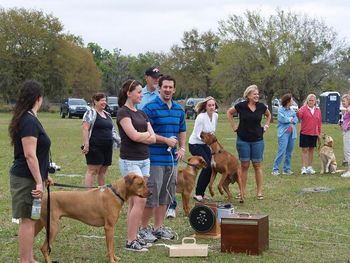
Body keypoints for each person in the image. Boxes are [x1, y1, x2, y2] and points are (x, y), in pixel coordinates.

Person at [9, 80, 53, 263]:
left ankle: (28, 258)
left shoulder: (30, 118)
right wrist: (37, 181)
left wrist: (44, 175)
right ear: (38, 98)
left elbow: (39, 155)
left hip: (33, 177)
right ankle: (24, 260)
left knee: (32, 219)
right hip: (25, 178)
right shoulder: (28, 120)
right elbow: (29, 154)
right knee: (27, 221)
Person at [139, 75, 186, 242]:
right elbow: (147, 133)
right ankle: (143, 229)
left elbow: (182, 130)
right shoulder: (150, 108)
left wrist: (182, 147)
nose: (167, 90)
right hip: (154, 159)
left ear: (174, 89)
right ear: (159, 88)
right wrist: (165, 140)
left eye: (170, 87)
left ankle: (158, 228)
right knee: (152, 194)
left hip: (172, 161)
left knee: (166, 195)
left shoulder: (179, 110)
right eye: (164, 87)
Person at [116, 79, 156, 251]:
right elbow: (133, 136)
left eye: (141, 92)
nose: (141, 95)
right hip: (129, 160)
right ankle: (131, 241)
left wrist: (144, 135)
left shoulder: (142, 113)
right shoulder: (123, 113)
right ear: (129, 93)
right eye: (138, 92)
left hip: (145, 160)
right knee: (140, 200)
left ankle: (133, 235)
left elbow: (153, 138)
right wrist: (145, 134)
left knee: (135, 202)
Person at [226, 84, 271, 200]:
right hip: (243, 140)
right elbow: (229, 113)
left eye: (257, 94)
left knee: (257, 165)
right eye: (254, 94)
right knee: (244, 165)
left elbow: (268, 115)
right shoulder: (241, 106)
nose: (257, 96)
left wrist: (266, 126)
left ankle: (259, 192)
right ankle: (242, 192)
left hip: (257, 140)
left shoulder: (261, 106)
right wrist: (234, 127)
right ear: (248, 95)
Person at [82, 93, 118, 187]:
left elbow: (112, 131)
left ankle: (101, 191)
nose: (104, 102)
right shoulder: (91, 112)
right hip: (95, 146)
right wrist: (86, 144)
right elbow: (85, 128)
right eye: (102, 100)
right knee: (92, 170)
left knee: (103, 171)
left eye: (105, 100)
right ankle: (88, 194)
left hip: (107, 147)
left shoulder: (108, 115)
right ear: (95, 101)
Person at [188, 96, 218, 201]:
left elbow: (212, 132)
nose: (211, 107)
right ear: (205, 106)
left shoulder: (215, 116)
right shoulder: (201, 117)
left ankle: (202, 193)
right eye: (209, 105)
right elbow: (197, 134)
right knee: (207, 166)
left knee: (211, 168)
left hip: (205, 145)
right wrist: (208, 141)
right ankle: (198, 193)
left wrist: (211, 142)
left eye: (213, 105)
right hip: (195, 144)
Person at [271, 94, 299, 175]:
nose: (293, 102)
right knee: (281, 150)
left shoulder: (292, 111)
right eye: (291, 100)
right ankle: (275, 169)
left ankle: (286, 169)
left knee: (289, 152)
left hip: (292, 133)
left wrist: (291, 120)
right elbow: (282, 119)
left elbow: (296, 120)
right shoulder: (280, 110)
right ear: (287, 101)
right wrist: (290, 119)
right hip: (283, 133)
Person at [297, 93, 322, 174]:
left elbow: (319, 122)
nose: (311, 102)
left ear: (315, 101)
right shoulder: (303, 109)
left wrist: (319, 132)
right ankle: (303, 167)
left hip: (314, 133)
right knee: (304, 150)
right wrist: (298, 113)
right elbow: (299, 117)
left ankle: (309, 167)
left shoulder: (318, 110)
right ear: (307, 101)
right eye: (310, 100)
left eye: (313, 100)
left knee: (311, 149)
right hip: (305, 132)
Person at [340, 93, 350, 178]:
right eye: (342, 101)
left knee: (348, 151)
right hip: (345, 132)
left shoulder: (349, 109)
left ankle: (349, 171)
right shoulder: (347, 109)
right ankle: (348, 169)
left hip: (348, 132)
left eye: (344, 101)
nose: (342, 103)